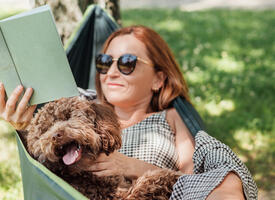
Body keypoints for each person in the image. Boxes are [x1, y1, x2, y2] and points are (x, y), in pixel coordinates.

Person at [0, 25, 257, 199]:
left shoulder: (170, 118)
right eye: (104, 62)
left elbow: (194, 184)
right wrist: (23, 127)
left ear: (159, 79)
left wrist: (133, 166)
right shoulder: (81, 107)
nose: (111, 72)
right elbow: (45, 169)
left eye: (126, 63)